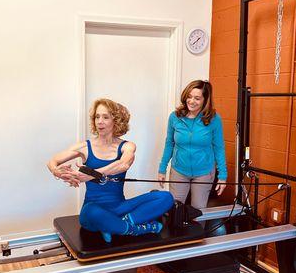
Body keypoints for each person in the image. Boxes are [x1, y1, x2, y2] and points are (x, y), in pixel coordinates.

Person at [47, 98, 174, 243]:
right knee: (89, 212)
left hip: (120, 207)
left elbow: (123, 164)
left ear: (116, 121)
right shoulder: (84, 147)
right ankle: (136, 229)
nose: (99, 121)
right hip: (95, 209)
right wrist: (57, 171)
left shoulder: (127, 146)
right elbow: (52, 161)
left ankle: (114, 226)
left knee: (165, 197)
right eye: (97, 117)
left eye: (105, 117)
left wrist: (91, 174)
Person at [158, 80, 227, 235]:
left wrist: (222, 176)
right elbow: (169, 143)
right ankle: (175, 243)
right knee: (175, 208)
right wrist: (162, 168)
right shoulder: (175, 117)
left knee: (198, 211)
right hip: (179, 169)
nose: (191, 101)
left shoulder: (214, 119)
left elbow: (219, 148)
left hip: (204, 171)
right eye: (189, 97)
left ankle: (195, 244)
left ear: (205, 100)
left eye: (197, 98)